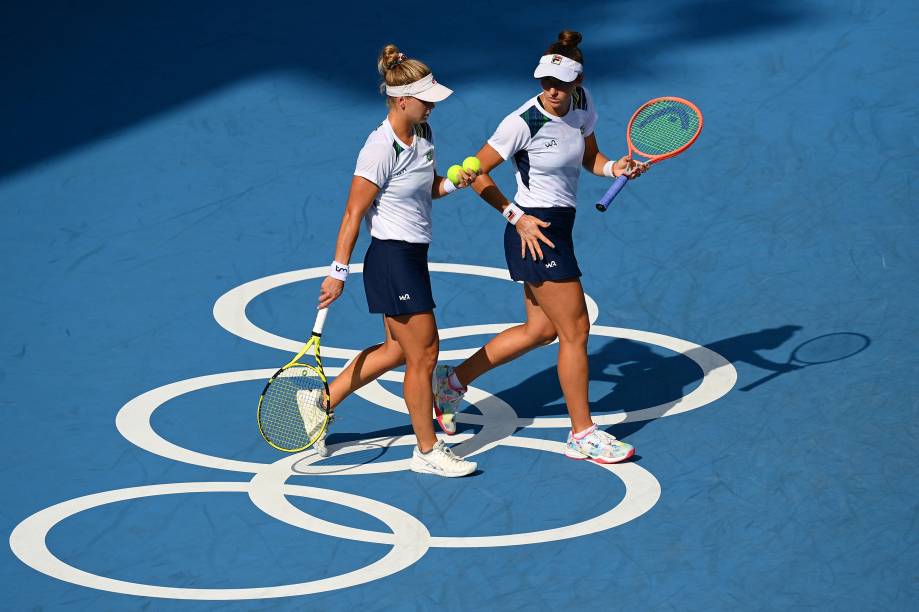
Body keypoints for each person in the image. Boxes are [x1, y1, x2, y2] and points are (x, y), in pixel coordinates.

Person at [432, 30, 648, 464]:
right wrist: (517, 216)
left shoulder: (584, 105)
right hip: (534, 231)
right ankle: (582, 433)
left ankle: (452, 382)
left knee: (541, 330)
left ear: (576, 82)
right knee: (576, 329)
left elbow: (590, 159)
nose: (552, 91)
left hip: (559, 226)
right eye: (545, 82)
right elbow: (477, 173)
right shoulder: (521, 123)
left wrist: (614, 168)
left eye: (561, 84)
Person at [316, 44, 478, 477]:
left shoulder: (423, 135)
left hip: (411, 255)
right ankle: (427, 449)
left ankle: (323, 401)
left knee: (395, 350)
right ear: (401, 99)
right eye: (426, 100)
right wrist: (338, 272)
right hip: (392, 257)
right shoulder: (379, 147)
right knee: (424, 354)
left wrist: (455, 183)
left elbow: (426, 190)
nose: (432, 107)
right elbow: (353, 212)